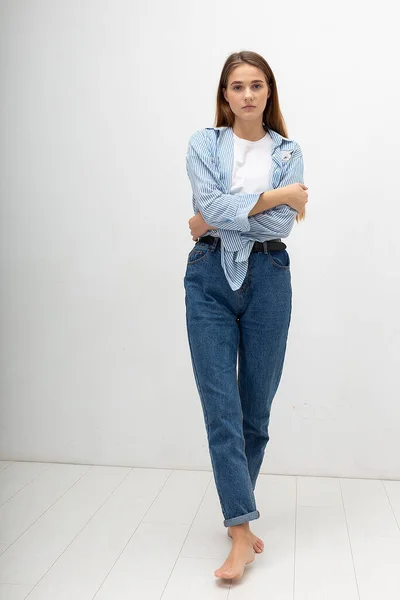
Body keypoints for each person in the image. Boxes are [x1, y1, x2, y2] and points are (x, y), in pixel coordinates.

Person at [183, 50, 308, 580]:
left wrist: (217, 213)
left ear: (269, 92)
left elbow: (278, 222)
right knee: (221, 408)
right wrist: (280, 194)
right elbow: (215, 208)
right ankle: (240, 530)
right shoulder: (204, 144)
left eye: (257, 85)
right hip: (209, 277)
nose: (248, 95)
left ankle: (238, 509)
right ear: (225, 94)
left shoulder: (287, 150)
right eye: (238, 86)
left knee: (255, 410)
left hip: (270, 278)